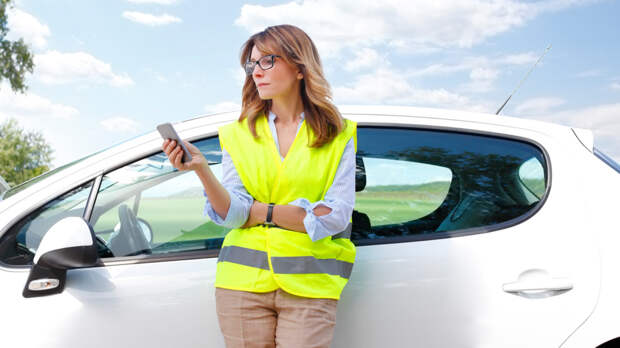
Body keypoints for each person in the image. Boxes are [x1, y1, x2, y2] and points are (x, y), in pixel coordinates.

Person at [161, 24, 356, 348]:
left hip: (311, 287)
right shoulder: (236, 135)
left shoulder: (339, 133)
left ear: (299, 67)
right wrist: (202, 171)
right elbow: (234, 215)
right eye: (252, 64)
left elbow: (335, 216)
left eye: (268, 61)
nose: (256, 72)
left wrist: (260, 212)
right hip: (241, 286)